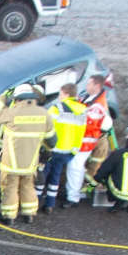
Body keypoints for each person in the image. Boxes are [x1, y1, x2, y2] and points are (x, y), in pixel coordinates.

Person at [0, 83, 56, 224]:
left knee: (10, 188)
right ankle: (28, 214)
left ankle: (9, 217)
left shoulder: (11, 112)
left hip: (11, 164)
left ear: (18, 98)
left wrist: (3, 96)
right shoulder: (44, 114)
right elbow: (52, 141)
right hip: (30, 163)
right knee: (28, 186)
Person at [63, 74, 112, 207]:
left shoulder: (98, 106)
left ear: (96, 85)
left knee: (75, 167)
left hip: (84, 141)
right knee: (74, 167)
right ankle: (72, 193)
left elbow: (87, 123)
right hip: (81, 140)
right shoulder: (90, 98)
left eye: (89, 84)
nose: (86, 86)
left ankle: (73, 198)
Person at [38, 82, 86, 213]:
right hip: (67, 152)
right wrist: (73, 152)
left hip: (51, 150)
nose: (59, 97)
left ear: (66, 93)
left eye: (60, 94)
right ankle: (49, 205)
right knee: (55, 178)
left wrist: (42, 148)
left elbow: (45, 129)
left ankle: (34, 202)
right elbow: (80, 133)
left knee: (41, 176)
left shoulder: (57, 108)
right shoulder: (82, 110)